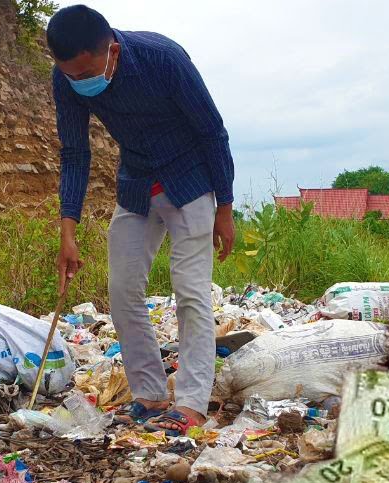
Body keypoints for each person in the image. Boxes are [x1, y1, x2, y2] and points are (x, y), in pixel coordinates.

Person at [46, 5, 235, 436]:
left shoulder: (163, 58)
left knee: (189, 291)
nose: (81, 83)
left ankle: (190, 404)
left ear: (111, 50)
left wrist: (224, 207)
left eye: (87, 72)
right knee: (123, 288)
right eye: (71, 75)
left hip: (191, 181)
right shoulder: (67, 79)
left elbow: (212, 131)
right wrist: (67, 232)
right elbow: (75, 153)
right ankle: (149, 395)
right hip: (136, 182)